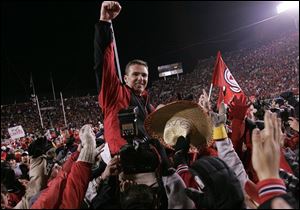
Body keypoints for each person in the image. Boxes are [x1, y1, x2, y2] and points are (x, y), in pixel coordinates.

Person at [94, 1, 155, 155]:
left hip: (150, 160)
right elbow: (104, 62)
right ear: (126, 78)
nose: (141, 78)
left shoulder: (147, 102)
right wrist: (105, 22)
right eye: (136, 74)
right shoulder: (115, 94)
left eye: (144, 75)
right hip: (125, 162)